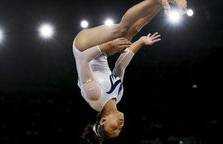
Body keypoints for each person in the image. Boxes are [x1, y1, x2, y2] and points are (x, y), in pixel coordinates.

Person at [72, 0, 187, 143]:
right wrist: (141, 42)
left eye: (113, 128)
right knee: (131, 32)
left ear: (103, 120)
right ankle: (162, 4)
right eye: (120, 130)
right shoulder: (117, 96)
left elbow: (82, 60)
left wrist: (108, 45)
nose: (120, 126)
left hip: (83, 46)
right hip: (101, 51)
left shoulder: (94, 95)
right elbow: (120, 66)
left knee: (120, 31)